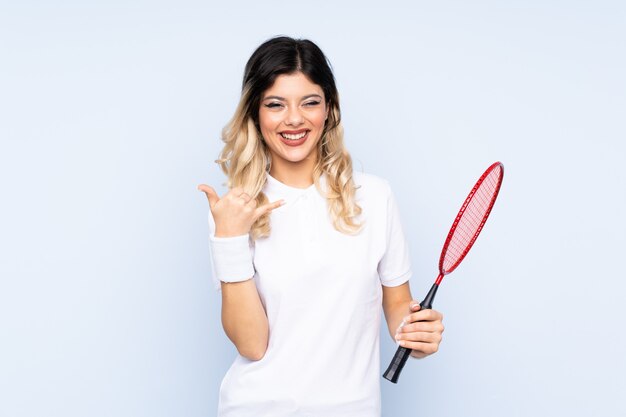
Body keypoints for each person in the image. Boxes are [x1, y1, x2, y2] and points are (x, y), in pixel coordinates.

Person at [197, 36, 444, 417]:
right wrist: (228, 237)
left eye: (309, 102)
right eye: (275, 104)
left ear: (328, 109)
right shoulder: (235, 210)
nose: (294, 119)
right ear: (255, 114)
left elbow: (398, 306)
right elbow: (251, 344)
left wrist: (415, 334)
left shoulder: (375, 198)